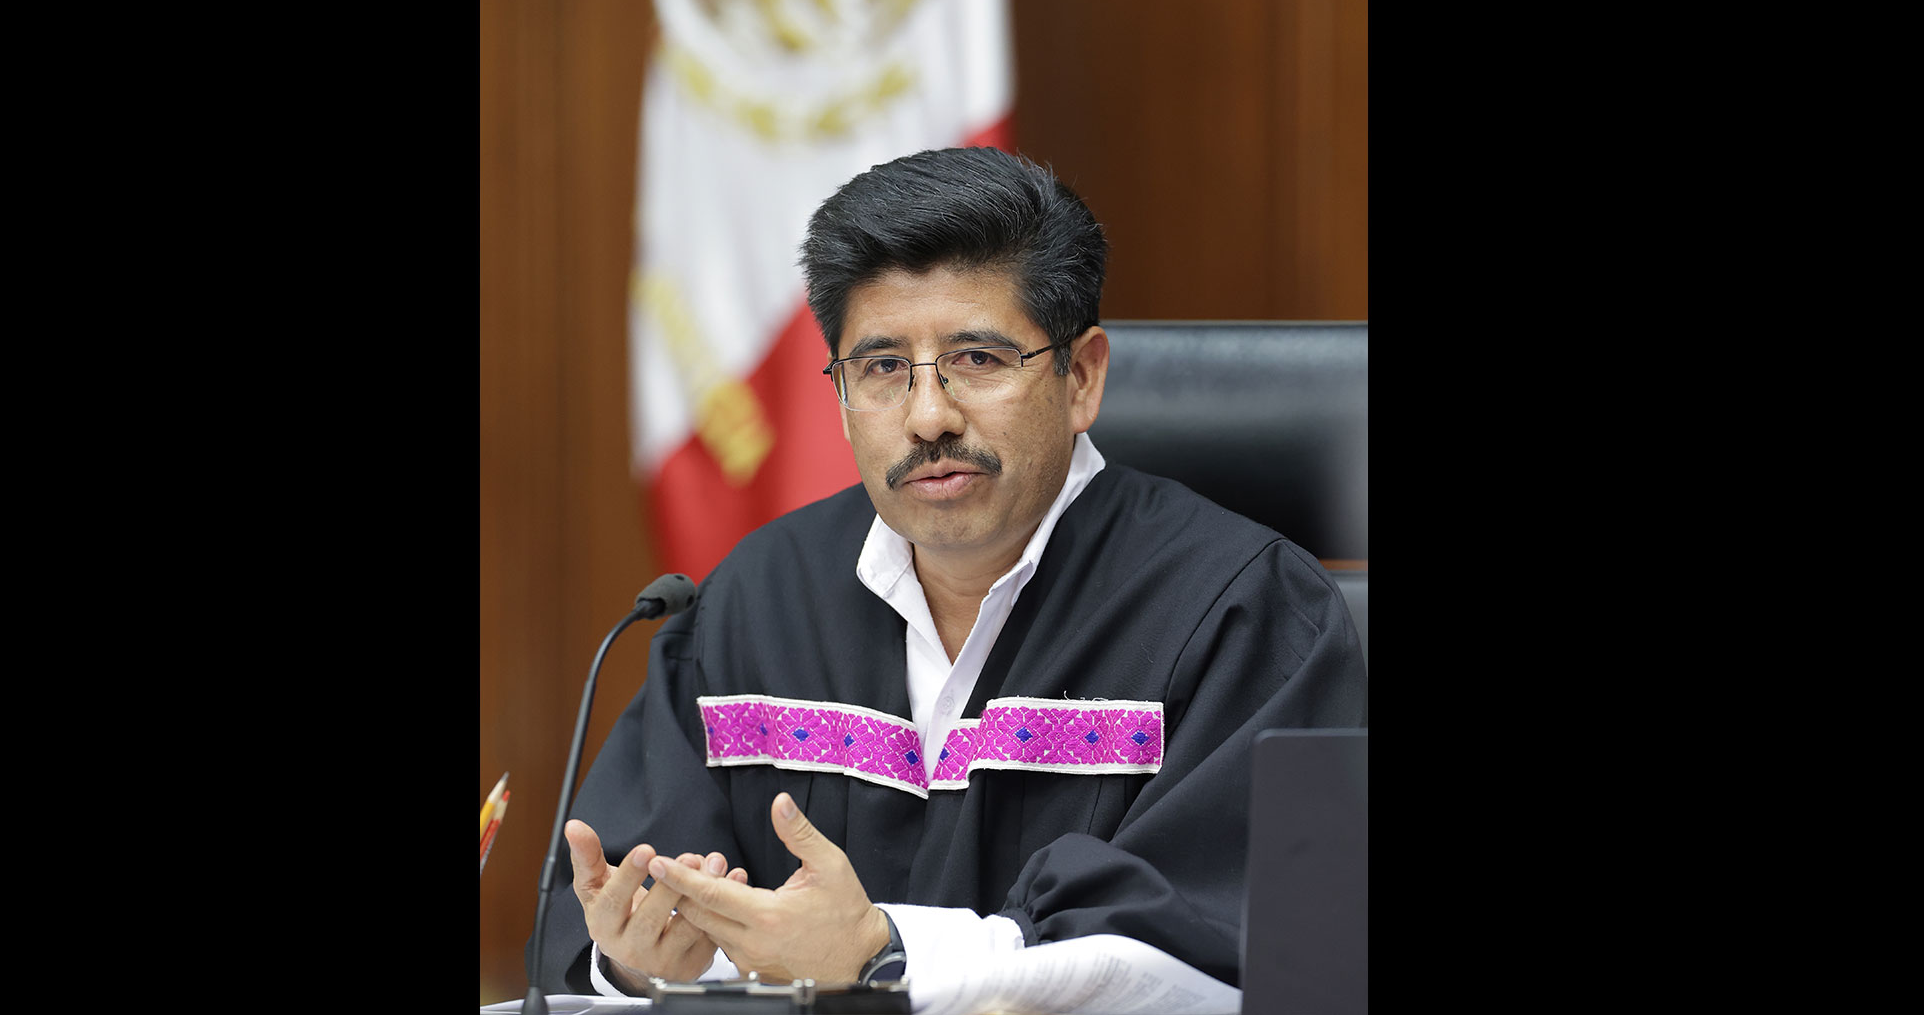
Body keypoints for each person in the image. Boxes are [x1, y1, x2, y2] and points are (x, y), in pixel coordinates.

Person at [527, 146, 1369, 997]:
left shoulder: (1242, 612)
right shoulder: (755, 602)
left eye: (978, 359)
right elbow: (609, 910)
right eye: (883, 368)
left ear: (1081, 377)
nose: (928, 417)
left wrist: (887, 953)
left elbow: (1234, 957)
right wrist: (636, 959)